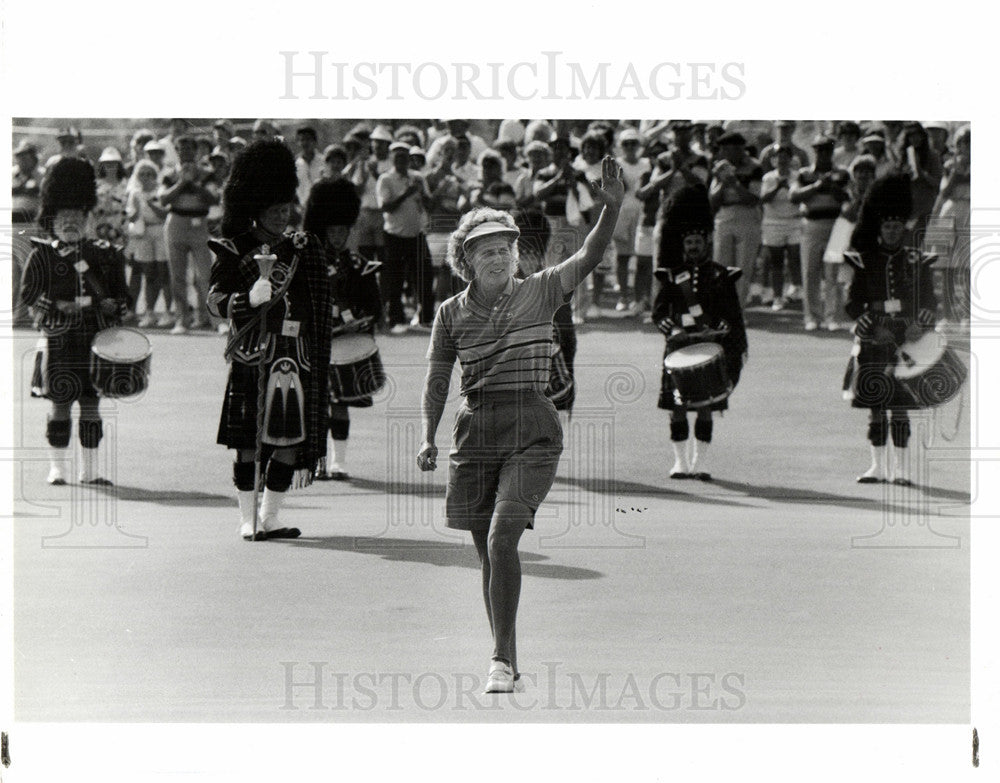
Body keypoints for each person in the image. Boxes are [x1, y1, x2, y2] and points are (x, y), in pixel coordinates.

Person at [417, 157, 623, 693]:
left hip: (533, 424)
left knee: (503, 536)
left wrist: (612, 209)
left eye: (505, 248)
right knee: (486, 550)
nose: (498, 256)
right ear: (465, 260)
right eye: (486, 250)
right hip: (475, 428)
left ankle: (501, 661)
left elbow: (590, 254)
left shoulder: (543, 289)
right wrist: (426, 435)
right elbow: (439, 379)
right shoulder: (449, 313)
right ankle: (504, 651)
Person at [206, 140, 334, 541]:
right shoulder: (233, 250)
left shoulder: (300, 248)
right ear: (256, 208)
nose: (284, 216)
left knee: (289, 442)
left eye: (286, 209)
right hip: (253, 354)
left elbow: (317, 299)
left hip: (293, 355)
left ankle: (271, 515)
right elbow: (214, 302)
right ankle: (247, 518)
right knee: (247, 441)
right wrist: (246, 300)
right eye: (275, 210)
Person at [20, 157, 132, 486]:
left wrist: (114, 306)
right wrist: (58, 304)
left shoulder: (106, 253)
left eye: (76, 216)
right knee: (59, 406)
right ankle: (58, 468)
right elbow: (28, 295)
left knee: (91, 407)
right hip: (59, 338)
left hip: (94, 341)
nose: (70, 222)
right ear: (52, 218)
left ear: (86, 217)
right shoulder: (42, 254)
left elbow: (123, 297)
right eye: (64, 216)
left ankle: (91, 470)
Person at [842, 174, 938, 485]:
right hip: (875, 337)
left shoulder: (917, 260)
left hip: (907, 341)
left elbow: (930, 304)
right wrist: (871, 328)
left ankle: (903, 470)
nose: (893, 231)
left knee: (900, 406)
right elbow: (853, 305)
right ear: (880, 228)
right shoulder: (865, 261)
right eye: (887, 226)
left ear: (903, 228)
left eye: (897, 226)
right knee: (876, 406)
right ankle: (877, 468)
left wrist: (918, 325)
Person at [652, 185, 747, 480]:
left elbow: (732, 314)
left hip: (708, 346)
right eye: (689, 242)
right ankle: (680, 462)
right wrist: (668, 327)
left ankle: (700, 462)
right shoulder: (670, 274)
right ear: (683, 244)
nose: (693, 246)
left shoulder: (722, 274)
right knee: (677, 407)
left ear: (706, 242)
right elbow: (658, 311)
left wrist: (721, 329)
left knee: (705, 407)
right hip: (678, 347)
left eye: (698, 241)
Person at [304, 178, 383, 481]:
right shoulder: (310, 263)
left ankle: (339, 461)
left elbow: (374, 305)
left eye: (342, 231)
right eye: (332, 231)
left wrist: (364, 320)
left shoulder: (358, 264)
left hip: (346, 343)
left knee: (341, 405)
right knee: (318, 405)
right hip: (318, 342)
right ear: (324, 231)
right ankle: (319, 460)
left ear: (349, 231)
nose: (337, 237)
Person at [158, 134, 219, 333]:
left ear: (195, 150)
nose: (185, 153)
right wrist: (182, 183)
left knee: (205, 274)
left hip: (199, 225)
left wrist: (193, 184)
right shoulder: (170, 174)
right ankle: (182, 320)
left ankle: (212, 319)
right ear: (176, 151)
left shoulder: (206, 173)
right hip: (176, 223)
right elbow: (164, 199)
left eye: (189, 149)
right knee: (177, 276)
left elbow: (212, 199)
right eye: (181, 149)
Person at [789, 134, 850, 331]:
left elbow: (848, 197)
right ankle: (812, 316)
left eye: (827, 149)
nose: (823, 153)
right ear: (814, 151)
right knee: (810, 272)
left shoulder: (842, 174)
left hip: (836, 224)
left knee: (833, 273)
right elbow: (794, 196)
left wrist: (832, 187)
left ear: (832, 152)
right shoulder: (804, 174)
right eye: (819, 150)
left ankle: (833, 317)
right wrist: (816, 186)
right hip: (811, 225)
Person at [376, 141, 433, 333]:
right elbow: (386, 207)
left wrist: (421, 193)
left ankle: (425, 318)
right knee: (395, 279)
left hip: (417, 234)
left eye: (405, 158)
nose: (401, 161)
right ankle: (396, 319)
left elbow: (429, 204)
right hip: (395, 235)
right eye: (397, 157)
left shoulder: (417, 178)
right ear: (392, 159)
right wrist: (405, 193)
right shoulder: (386, 179)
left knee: (424, 276)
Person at [708, 132, 762, 304]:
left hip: (747, 215)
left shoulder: (754, 167)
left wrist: (734, 183)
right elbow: (712, 200)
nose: (723, 153)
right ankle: (723, 310)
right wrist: (723, 182)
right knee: (721, 267)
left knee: (743, 268)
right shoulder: (720, 167)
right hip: (724, 215)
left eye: (727, 149)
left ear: (739, 149)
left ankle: (738, 310)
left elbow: (753, 199)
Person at [927, 124, 970, 325]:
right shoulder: (949, 165)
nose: (965, 148)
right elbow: (944, 193)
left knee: (968, 263)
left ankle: (968, 314)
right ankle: (947, 314)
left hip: (970, 210)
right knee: (944, 264)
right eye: (961, 143)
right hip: (949, 210)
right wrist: (957, 175)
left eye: (969, 143)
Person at [124, 160, 170, 328]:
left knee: (164, 272)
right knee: (149, 273)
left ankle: (168, 311)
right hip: (143, 234)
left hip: (160, 232)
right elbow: (131, 218)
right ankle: (149, 312)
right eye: (142, 174)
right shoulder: (135, 193)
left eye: (149, 174)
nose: (146, 177)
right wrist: (136, 208)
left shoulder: (161, 191)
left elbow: (164, 214)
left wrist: (150, 203)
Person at [759, 145, 802, 311]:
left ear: (790, 160)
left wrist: (787, 187)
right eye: (778, 157)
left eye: (785, 156)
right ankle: (777, 297)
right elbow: (763, 199)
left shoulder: (798, 177)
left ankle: (796, 290)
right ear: (773, 160)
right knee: (776, 262)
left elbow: (797, 198)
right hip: (772, 223)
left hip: (793, 222)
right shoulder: (768, 178)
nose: (782, 160)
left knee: (794, 257)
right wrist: (778, 187)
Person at [12, 140, 43, 327]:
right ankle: (19, 314)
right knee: (13, 274)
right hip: (11, 228)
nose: (21, 159)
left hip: (30, 227)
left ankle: (35, 313)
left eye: (25, 156)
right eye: (19, 156)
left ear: (33, 157)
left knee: (30, 272)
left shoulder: (41, 176)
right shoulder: (11, 174)